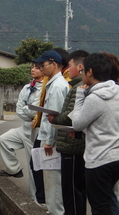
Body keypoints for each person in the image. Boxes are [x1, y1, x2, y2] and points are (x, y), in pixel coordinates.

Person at [72, 53, 119, 215]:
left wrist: (80, 96)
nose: (82, 75)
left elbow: (77, 124)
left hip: (100, 159)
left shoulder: (95, 98)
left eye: (82, 71)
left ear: (90, 72)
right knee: (109, 201)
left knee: (100, 206)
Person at [47, 50, 89, 215]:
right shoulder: (77, 86)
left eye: (69, 66)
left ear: (80, 67)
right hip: (73, 144)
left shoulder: (80, 88)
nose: (67, 70)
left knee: (71, 191)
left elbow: (73, 116)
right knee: (76, 191)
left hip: (73, 145)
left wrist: (54, 119)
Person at [0, 63, 44, 201]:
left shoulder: (45, 89)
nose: (33, 69)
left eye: (36, 67)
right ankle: (14, 169)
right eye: (32, 67)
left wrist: (27, 110)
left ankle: (36, 199)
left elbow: (33, 109)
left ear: (44, 70)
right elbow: (20, 110)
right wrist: (27, 112)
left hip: (36, 131)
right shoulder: (27, 87)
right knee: (3, 140)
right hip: (25, 127)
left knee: (33, 165)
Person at [33, 50, 69, 215]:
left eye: (43, 65)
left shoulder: (56, 86)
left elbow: (54, 116)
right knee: (52, 180)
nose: (41, 68)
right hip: (51, 138)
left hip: (51, 141)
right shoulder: (56, 83)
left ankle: (56, 212)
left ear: (54, 64)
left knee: (52, 180)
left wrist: (49, 141)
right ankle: (55, 210)